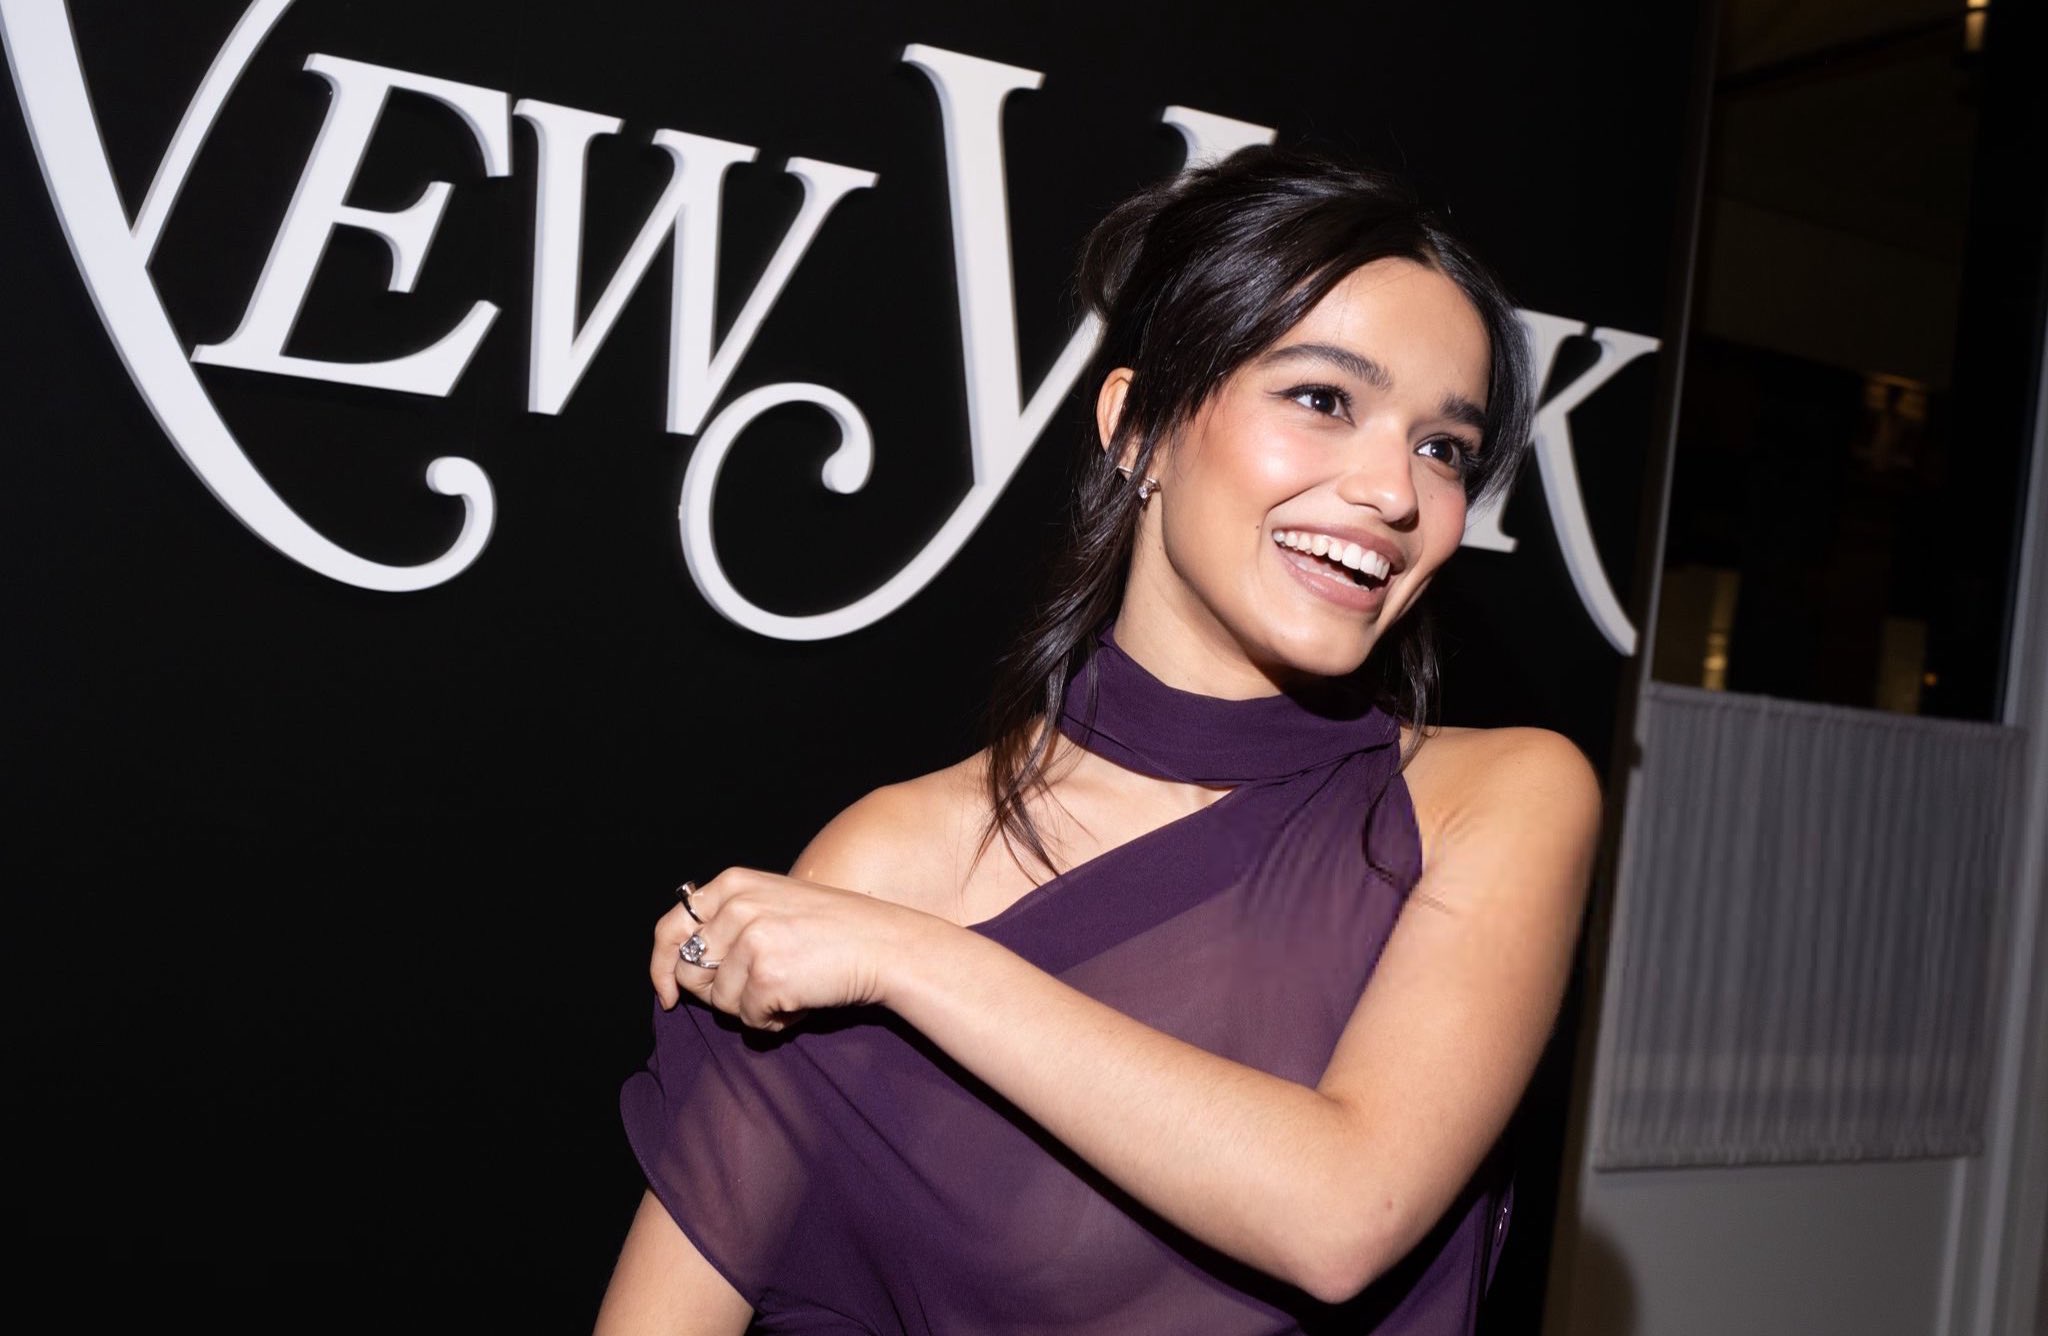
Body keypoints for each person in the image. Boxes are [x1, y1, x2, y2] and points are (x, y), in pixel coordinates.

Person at [595, 144, 1600, 1335]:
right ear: (1138, 428)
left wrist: (911, 960)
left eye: (1443, 447)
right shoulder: (895, 854)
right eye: (1322, 399)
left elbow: (1343, 1214)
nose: (1394, 491)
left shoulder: (1498, 798)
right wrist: (882, 929)